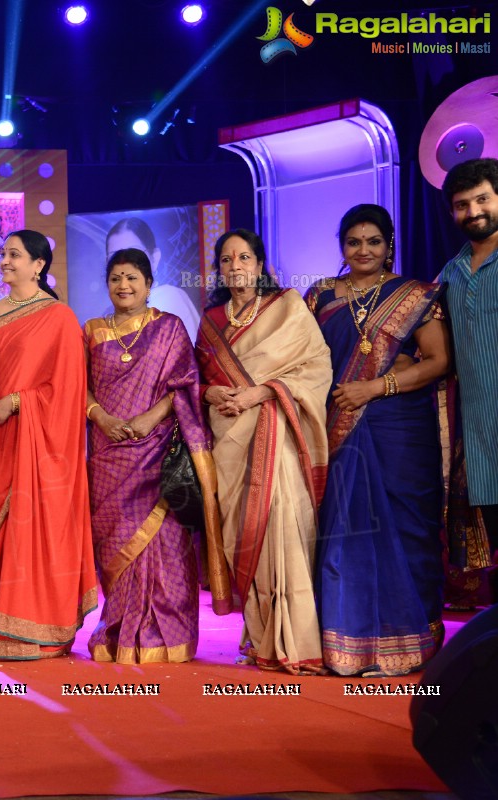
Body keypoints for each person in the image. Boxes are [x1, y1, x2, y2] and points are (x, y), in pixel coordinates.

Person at [305, 204, 451, 676]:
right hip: (339, 425)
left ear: (389, 245)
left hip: (401, 429)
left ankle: (408, 643)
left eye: (373, 241)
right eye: (353, 242)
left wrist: (376, 386)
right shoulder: (321, 296)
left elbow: (436, 360)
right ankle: (347, 642)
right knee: (345, 529)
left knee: (407, 528)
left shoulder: (415, 295)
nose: (363, 250)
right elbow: (304, 359)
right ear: (342, 247)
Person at [195, 228, 331, 674]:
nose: (236, 266)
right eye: (227, 259)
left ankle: (296, 641)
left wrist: (262, 393)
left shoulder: (288, 308)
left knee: (281, 530)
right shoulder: (211, 320)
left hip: (276, 434)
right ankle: (259, 638)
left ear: (260, 264)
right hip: (229, 439)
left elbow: (316, 367)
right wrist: (213, 393)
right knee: (242, 536)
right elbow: (194, 380)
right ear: (219, 268)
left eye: (245, 257)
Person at [84, 248, 226, 664]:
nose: (123, 286)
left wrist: (149, 419)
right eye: (115, 278)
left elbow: (185, 384)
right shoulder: (92, 329)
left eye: (132, 278)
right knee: (116, 544)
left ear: (148, 283)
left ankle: (168, 636)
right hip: (109, 454)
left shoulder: (169, 327)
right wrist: (102, 418)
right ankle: (119, 632)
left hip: (156, 453)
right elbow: (79, 387)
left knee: (164, 544)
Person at [0, 229, 96, 659]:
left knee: (33, 524)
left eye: (14, 255)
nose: (4, 262)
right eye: (3, 254)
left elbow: (69, 390)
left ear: (38, 265)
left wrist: (19, 400)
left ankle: (36, 629)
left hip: (39, 443)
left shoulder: (59, 319)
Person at [438, 158, 498, 570]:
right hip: (481, 447)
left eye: (482, 199)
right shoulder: (450, 274)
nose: (473, 211)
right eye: (462, 204)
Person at [104, 217, 202, 341]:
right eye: (115, 256)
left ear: (155, 258)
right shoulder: (102, 321)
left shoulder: (170, 299)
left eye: (135, 255)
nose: (125, 264)